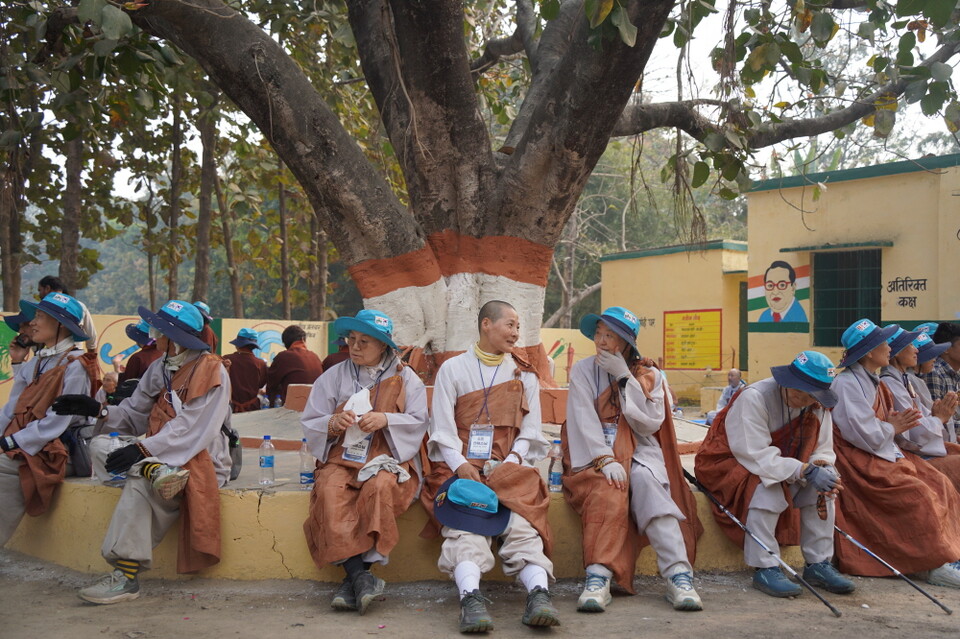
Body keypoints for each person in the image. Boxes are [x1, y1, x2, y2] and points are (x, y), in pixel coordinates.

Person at [53, 300, 232, 604]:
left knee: (139, 485)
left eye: (157, 331)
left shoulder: (212, 371)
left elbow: (192, 429)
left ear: (173, 339)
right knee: (99, 445)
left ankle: (125, 577)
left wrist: (143, 449)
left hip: (202, 459)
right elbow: (134, 414)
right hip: (158, 453)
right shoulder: (160, 368)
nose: (152, 336)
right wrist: (98, 410)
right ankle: (153, 469)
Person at [421, 300, 558, 633]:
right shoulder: (453, 370)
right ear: (486, 324)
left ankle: (538, 594)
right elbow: (441, 430)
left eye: (517, 327)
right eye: (509, 324)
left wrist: (510, 463)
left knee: (523, 526)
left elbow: (531, 433)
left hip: (510, 471)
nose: (515, 333)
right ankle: (471, 600)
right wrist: (462, 464)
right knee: (466, 527)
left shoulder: (523, 374)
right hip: (461, 468)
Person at [563, 306, 703, 612]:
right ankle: (598, 576)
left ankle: (679, 575)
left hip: (641, 454)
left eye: (610, 336)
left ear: (627, 343)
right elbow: (583, 419)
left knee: (648, 485)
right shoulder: (583, 371)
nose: (600, 341)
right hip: (595, 457)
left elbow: (649, 423)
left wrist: (624, 377)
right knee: (608, 491)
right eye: (598, 333)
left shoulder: (649, 375)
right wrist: (604, 458)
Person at [695, 350, 854, 597]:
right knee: (766, 487)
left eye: (809, 396)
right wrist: (803, 469)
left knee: (823, 489)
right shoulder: (755, 397)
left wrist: (822, 468)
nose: (802, 399)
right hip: (732, 464)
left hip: (788, 464)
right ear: (786, 382)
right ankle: (766, 566)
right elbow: (753, 453)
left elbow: (822, 448)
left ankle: (818, 563)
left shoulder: (818, 405)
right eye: (798, 391)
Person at [301, 310, 428, 615]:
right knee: (329, 492)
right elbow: (311, 420)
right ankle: (361, 578)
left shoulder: (406, 377)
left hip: (387, 458)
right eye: (352, 340)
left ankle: (354, 578)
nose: (355, 347)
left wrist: (386, 419)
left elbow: (419, 421)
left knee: (380, 488)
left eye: (364, 342)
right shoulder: (333, 376)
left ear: (384, 346)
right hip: (342, 457)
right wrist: (333, 422)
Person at [831, 318, 960, 588]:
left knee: (940, 483)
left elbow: (900, 425)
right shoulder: (847, 384)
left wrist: (902, 426)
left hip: (885, 450)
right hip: (859, 461)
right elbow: (861, 433)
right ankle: (929, 563)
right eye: (883, 343)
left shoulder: (874, 381)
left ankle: (948, 554)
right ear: (868, 351)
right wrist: (893, 427)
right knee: (917, 492)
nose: (888, 347)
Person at [0, 293, 91, 546]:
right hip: (33, 446)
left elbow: (56, 423)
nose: (33, 323)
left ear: (60, 324)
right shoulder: (37, 362)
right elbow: (12, 409)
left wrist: (9, 443)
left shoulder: (75, 365)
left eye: (40, 316)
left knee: (4, 467)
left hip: (59, 450)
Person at [879, 327, 960, 491]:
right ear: (897, 353)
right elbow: (913, 433)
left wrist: (939, 416)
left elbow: (923, 417)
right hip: (911, 455)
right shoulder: (890, 383)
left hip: (924, 449)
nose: (916, 349)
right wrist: (939, 419)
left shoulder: (904, 380)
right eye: (910, 345)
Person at [38, 275, 99, 353]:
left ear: (47, 288)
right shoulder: (79, 306)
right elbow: (91, 337)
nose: (39, 294)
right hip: (74, 355)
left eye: (40, 290)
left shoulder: (43, 308)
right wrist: (91, 358)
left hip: (52, 355)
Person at [265, 325, 323, 404]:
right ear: (303, 339)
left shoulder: (283, 357)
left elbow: (271, 385)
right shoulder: (315, 357)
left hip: (292, 408)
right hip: (316, 406)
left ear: (285, 344)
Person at [922, 322, 960, 441]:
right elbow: (937, 420)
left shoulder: (956, 373)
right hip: (940, 444)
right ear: (947, 349)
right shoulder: (934, 373)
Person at [223, 328, 267, 413]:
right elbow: (261, 385)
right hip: (253, 408)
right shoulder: (260, 364)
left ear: (238, 345)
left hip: (229, 408)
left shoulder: (226, 359)